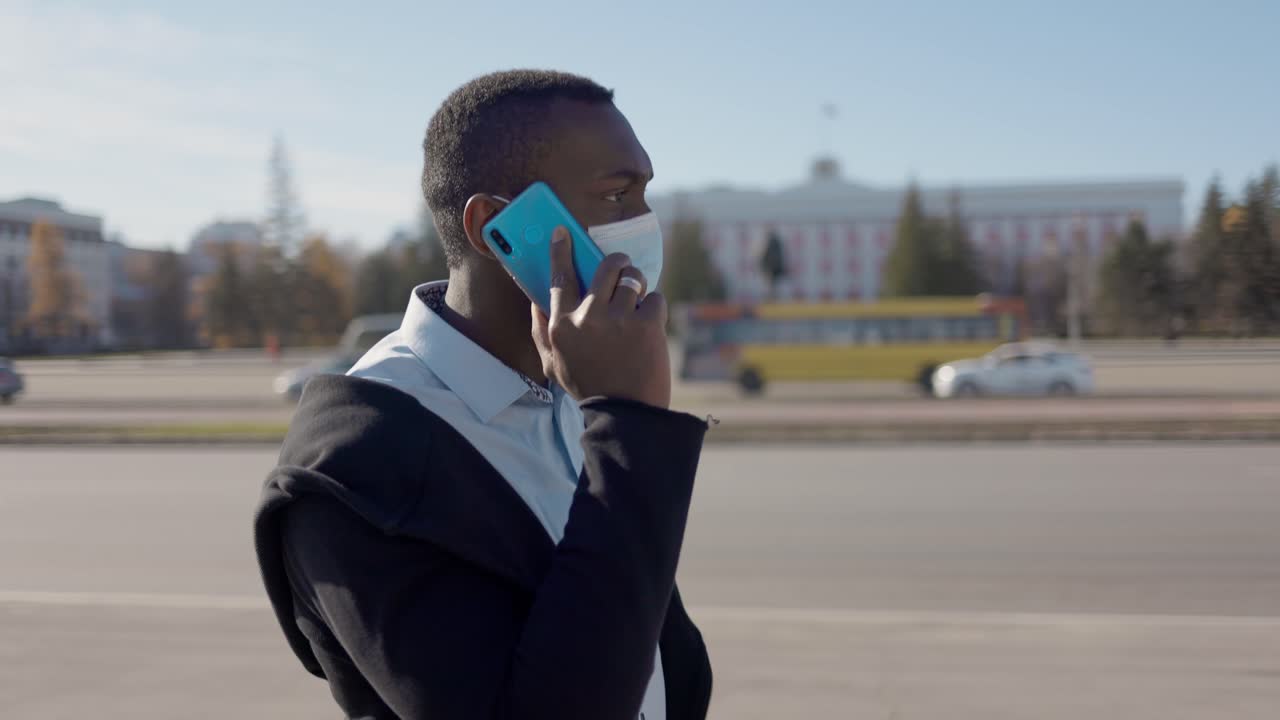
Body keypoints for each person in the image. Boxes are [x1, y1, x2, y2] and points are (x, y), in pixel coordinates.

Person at [253, 69, 713, 720]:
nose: (642, 224)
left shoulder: (574, 395)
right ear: (497, 227)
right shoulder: (360, 463)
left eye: (644, 194)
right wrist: (631, 428)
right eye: (616, 195)